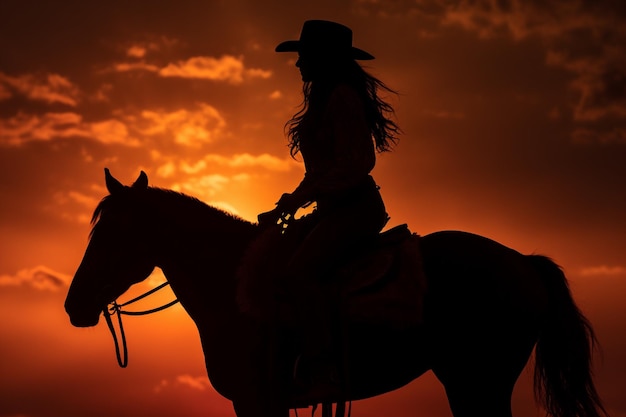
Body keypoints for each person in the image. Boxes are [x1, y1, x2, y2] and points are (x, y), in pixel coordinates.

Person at [258, 19, 400, 393]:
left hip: (355, 207)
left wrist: (302, 198)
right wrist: (290, 202)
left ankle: (322, 365)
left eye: (304, 55)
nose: (298, 63)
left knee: (298, 275)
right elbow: (322, 170)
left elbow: (356, 163)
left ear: (324, 59)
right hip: (336, 207)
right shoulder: (326, 98)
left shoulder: (341, 98)